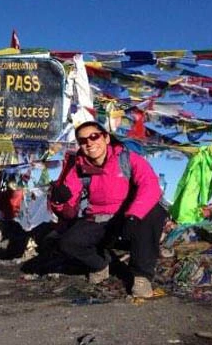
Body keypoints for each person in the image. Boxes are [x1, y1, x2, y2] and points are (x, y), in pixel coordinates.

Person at [46, 119, 168, 298]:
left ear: (106, 138)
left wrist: (134, 214)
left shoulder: (127, 159)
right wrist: (58, 201)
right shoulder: (78, 168)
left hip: (128, 217)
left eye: (94, 136)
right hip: (99, 219)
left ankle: (141, 276)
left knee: (154, 212)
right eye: (83, 140)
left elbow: (149, 185)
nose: (89, 143)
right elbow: (70, 212)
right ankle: (99, 265)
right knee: (68, 243)